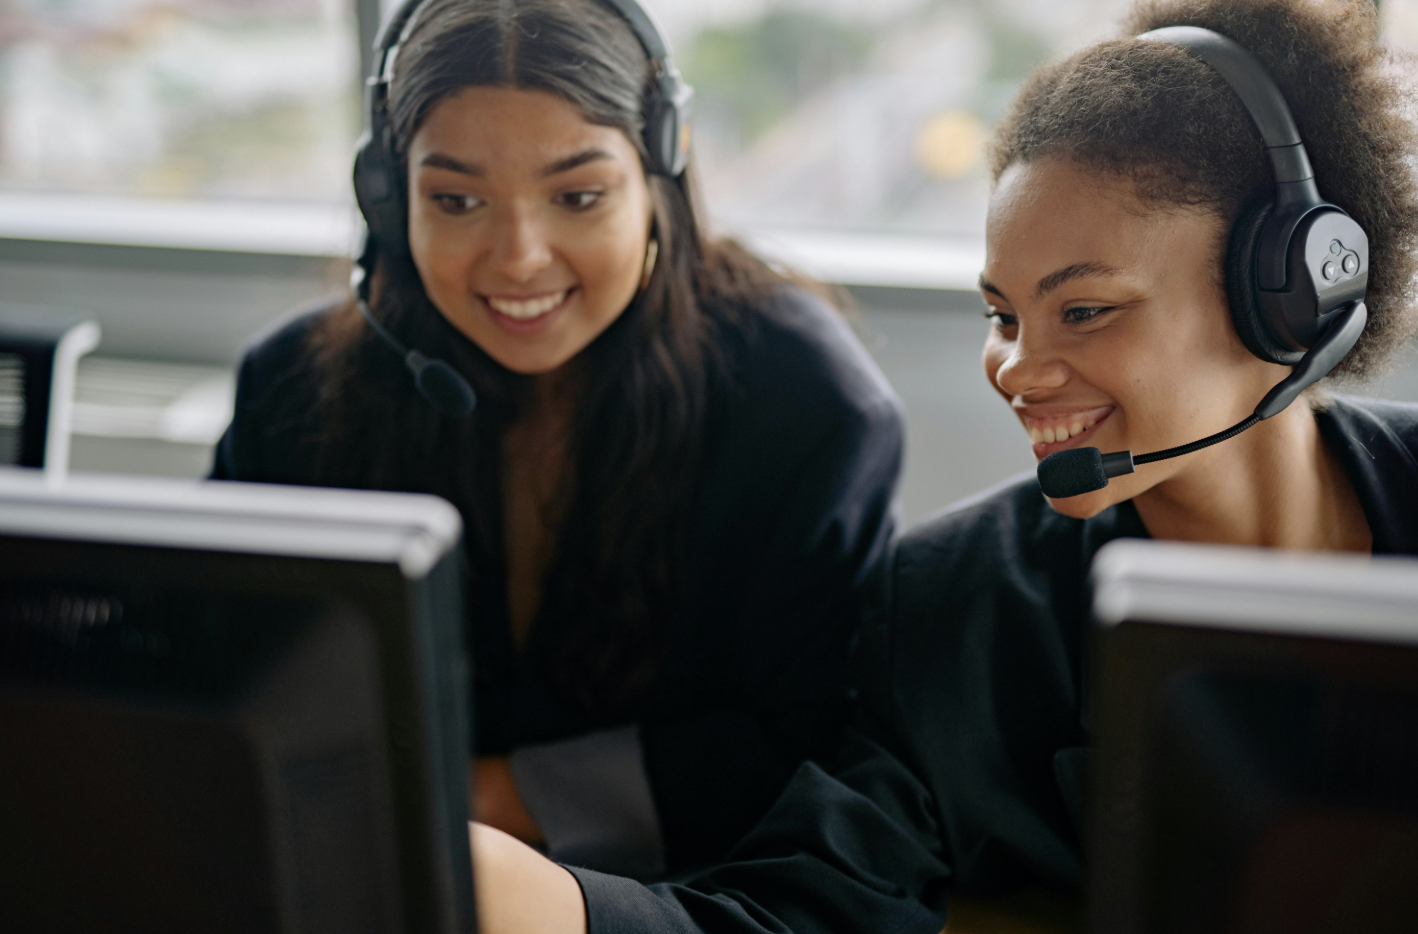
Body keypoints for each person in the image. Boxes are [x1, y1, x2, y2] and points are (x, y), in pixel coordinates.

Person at [463, 0, 1418, 930]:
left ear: (1288, 300)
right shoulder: (952, 614)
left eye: (1083, 311)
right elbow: (815, 905)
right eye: (1003, 317)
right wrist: (548, 907)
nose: (1018, 369)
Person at [212, 0, 903, 879]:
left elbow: (816, 745)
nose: (518, 258)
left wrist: (494, 795)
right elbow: (223, 668)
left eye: (577, 196)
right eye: (456, 201)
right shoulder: (291, 389)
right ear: (386, 199)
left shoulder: (807, 403)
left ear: (661, 169)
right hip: (363, 877)